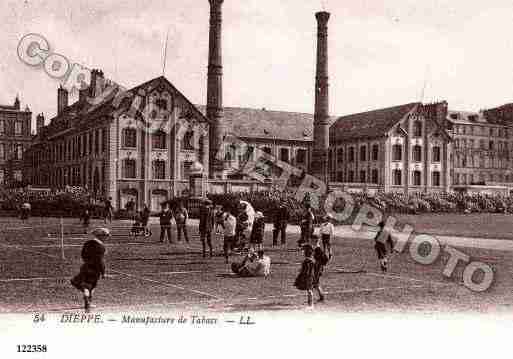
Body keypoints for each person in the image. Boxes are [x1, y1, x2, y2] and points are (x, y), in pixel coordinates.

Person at [70, 227, 109, 312]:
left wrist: (87, 262)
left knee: (82, 284)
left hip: (85, 267)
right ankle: (88, 301)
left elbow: (83, 254)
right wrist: (103, 272)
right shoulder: (101, 247)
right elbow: (100, 261)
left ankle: (87, 299)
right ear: (100, 236)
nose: (107, 238)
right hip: (95, 270)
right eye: (106, 236)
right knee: (91, 286)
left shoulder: (87, 243)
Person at [294, 243, 315, 308]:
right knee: (309, 290)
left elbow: (307, 270)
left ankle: (311, 305)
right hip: (309, 276)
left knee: (309, 290)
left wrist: (303, 275)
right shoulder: (309, 260)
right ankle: (310, 304)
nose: (302, 252)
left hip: (308, 277)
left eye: (304, 251)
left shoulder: (308, 261)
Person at [312, 235, 329, 303]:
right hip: (316, 268)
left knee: (314, 283)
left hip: (317, 269)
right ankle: (321, 297)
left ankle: (321, 297)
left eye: (311, 240)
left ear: (314, 241)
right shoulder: (315, 248)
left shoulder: (318, 249)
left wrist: (319, 264)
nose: (310, 241)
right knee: (315, 283)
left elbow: (325, 259)